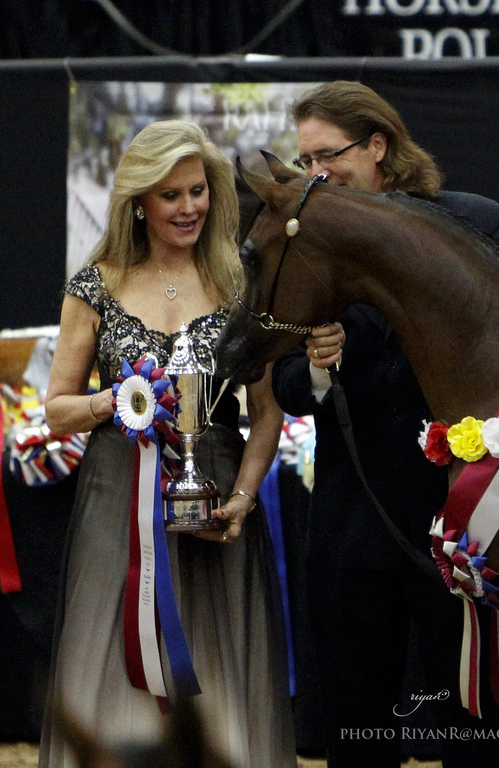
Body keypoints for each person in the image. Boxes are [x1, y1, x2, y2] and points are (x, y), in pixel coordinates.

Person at [271, 81, 499, 768]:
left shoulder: (472, 222)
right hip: (354, 527)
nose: (316, 175)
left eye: (328, 155)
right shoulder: (310, 243)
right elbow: (288, 386)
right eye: (306, 162)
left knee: (477, 738)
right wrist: (322, 368)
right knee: (357, 735)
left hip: (460, 532)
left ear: (378, 145)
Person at [39, 119, 296, 768]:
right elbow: (56, 410)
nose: (188, 207)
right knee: (109, 659)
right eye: (170, 195)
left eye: (198, 191)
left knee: (214, 672)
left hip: (214, 503)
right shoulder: (94, 285)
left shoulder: (241, 282)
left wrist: (242, 498)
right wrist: (122, 401)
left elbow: (265, 414)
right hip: (114, 496)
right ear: (139, 202)